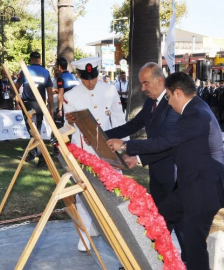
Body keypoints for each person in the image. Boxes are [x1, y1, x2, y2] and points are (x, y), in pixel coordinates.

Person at [107, 72, 224, 270]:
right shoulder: (193, 110)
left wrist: (126, 146)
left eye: (168, 97)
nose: (168, 103)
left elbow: (165, 141)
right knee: (159, 217)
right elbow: (171, 147)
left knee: (194, 244)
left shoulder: (196, 114)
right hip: (190, 186)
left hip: (204, 189)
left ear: (177, 93)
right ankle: (147, 261)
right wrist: (137, 157)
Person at [102, 62, 185, 261]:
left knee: (164, 223)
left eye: (146, 83)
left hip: (175, 175)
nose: (143, 88)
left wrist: (134, 154)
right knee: (172, 223)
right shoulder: (151, 101)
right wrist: (102, 135)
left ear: (159, 80)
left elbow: (164, 143)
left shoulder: (173, 104)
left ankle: (151, 260)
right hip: (158, 172)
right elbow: (133, 125)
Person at [63, 57, 127, 252]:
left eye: (93, 77)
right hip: (85, 150)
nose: (91, 82)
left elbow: (118, 119)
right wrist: (70, 121)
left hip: (107, 148)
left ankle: (122, 234)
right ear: (79, 76)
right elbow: (67, 127)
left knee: (116, 188)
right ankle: (85, 234)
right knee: (84, 193)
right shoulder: (71, 96)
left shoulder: (108, 90)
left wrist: (123, 147)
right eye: (86, 78)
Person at [15, 51, 53, 168]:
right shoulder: (45, 72)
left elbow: (16, 87)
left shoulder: (25, 71)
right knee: (37, 130)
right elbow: (50, 92)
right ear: (40, 60)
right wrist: (51, 107)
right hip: (40, 104)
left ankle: (42, 157)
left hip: (28, 104)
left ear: (30, 59)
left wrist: (16, 100)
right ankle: (33, 152)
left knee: (33, 131)